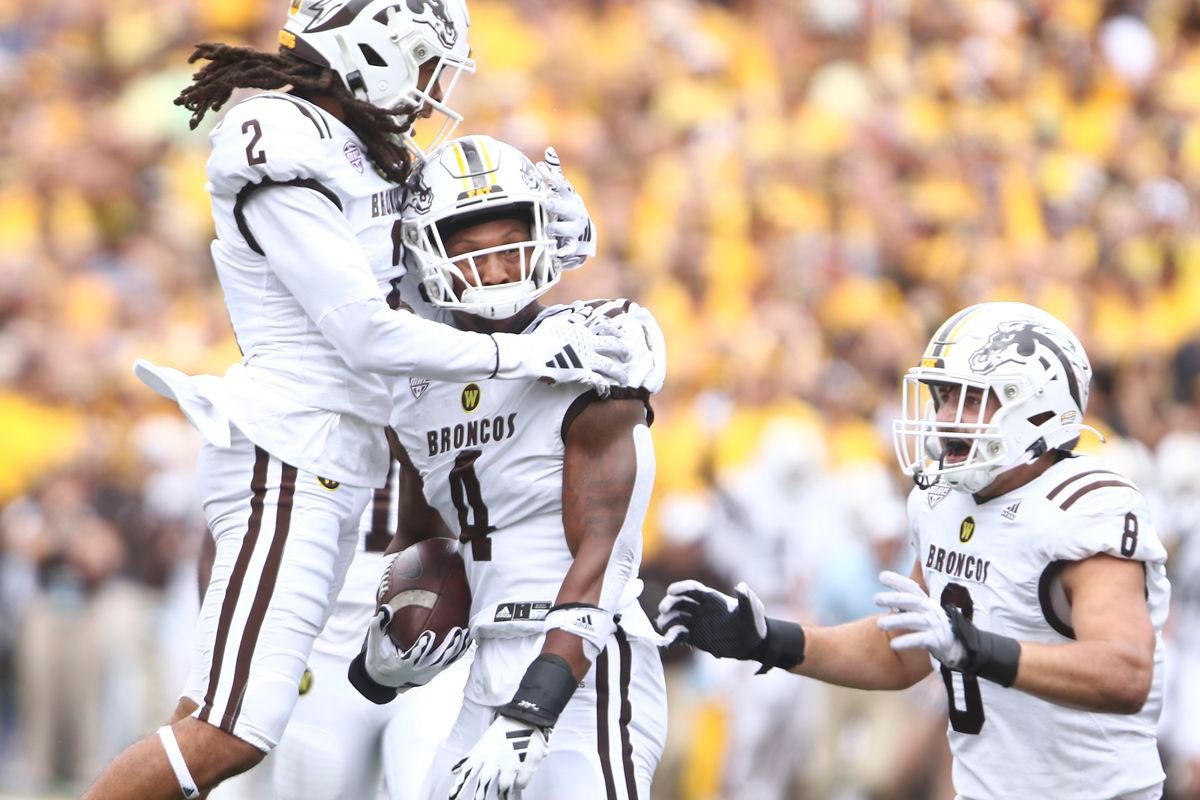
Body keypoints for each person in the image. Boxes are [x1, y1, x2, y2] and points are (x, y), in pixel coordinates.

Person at [82, 1, 632, 797]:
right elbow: (366, 335)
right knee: (231, 732)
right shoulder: (279, 136)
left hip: (335, 462)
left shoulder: (363, 146)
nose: (434, 89)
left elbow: (429, 284)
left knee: (221, 712)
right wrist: (521, 349)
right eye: (428, 63)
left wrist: (549, 231)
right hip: (288, 454)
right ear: (377, 49)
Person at [658, 302, 1170, 800]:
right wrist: (767, 640)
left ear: (1036, 406)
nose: (946, 417)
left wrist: (976, 649)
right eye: (943, 396)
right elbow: (902, 652)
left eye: (970, 400)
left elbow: (1123, 673)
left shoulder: (1083, 508)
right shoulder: (943, 500)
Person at [348, 134, 668, 800]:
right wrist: (383, 655)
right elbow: (427, 538)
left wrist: (535, 709)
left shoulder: (594, 345)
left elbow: (607, 555)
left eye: (510, 245)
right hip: (488, 663)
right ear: (430, 256)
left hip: (587, 668)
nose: (496, 271)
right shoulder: (417, 386)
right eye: (471, 253)